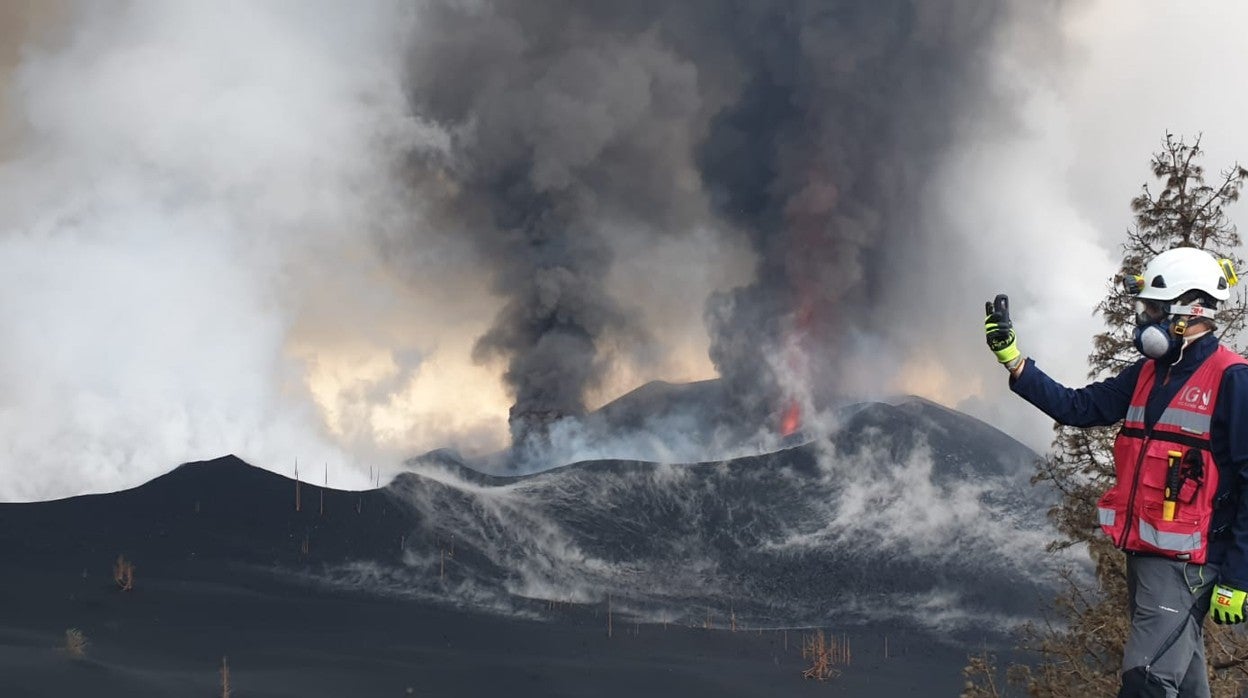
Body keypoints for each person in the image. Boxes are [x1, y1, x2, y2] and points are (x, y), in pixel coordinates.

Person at [985, 246, 1248, 697]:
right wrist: (1014, 361)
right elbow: (1079, 406)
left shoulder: (1233, 379)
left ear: (1189, 310)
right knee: (1184, 683)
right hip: (1146, 557)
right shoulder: (1148, 372)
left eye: (1153, 309)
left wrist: (1240, 578)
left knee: (1145, 681)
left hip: (1189, 566)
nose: (1144, 320)